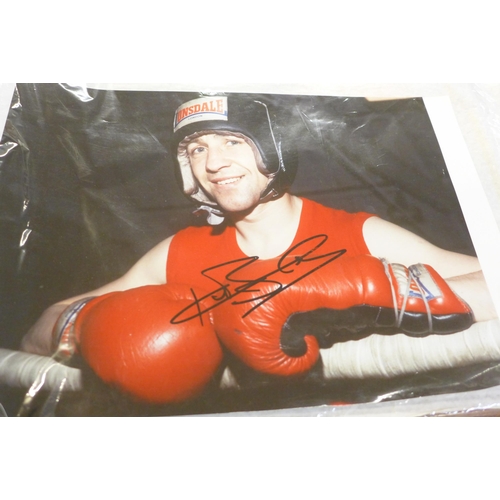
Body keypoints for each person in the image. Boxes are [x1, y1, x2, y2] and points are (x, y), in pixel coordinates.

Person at [19, 93, 497, 366]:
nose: (214, 163)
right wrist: (95, 330)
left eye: (231, 141)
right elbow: (40, 329)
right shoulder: (179, 253)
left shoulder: (360, 233)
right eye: (197, 150)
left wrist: (373, 294)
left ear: (274, 150)